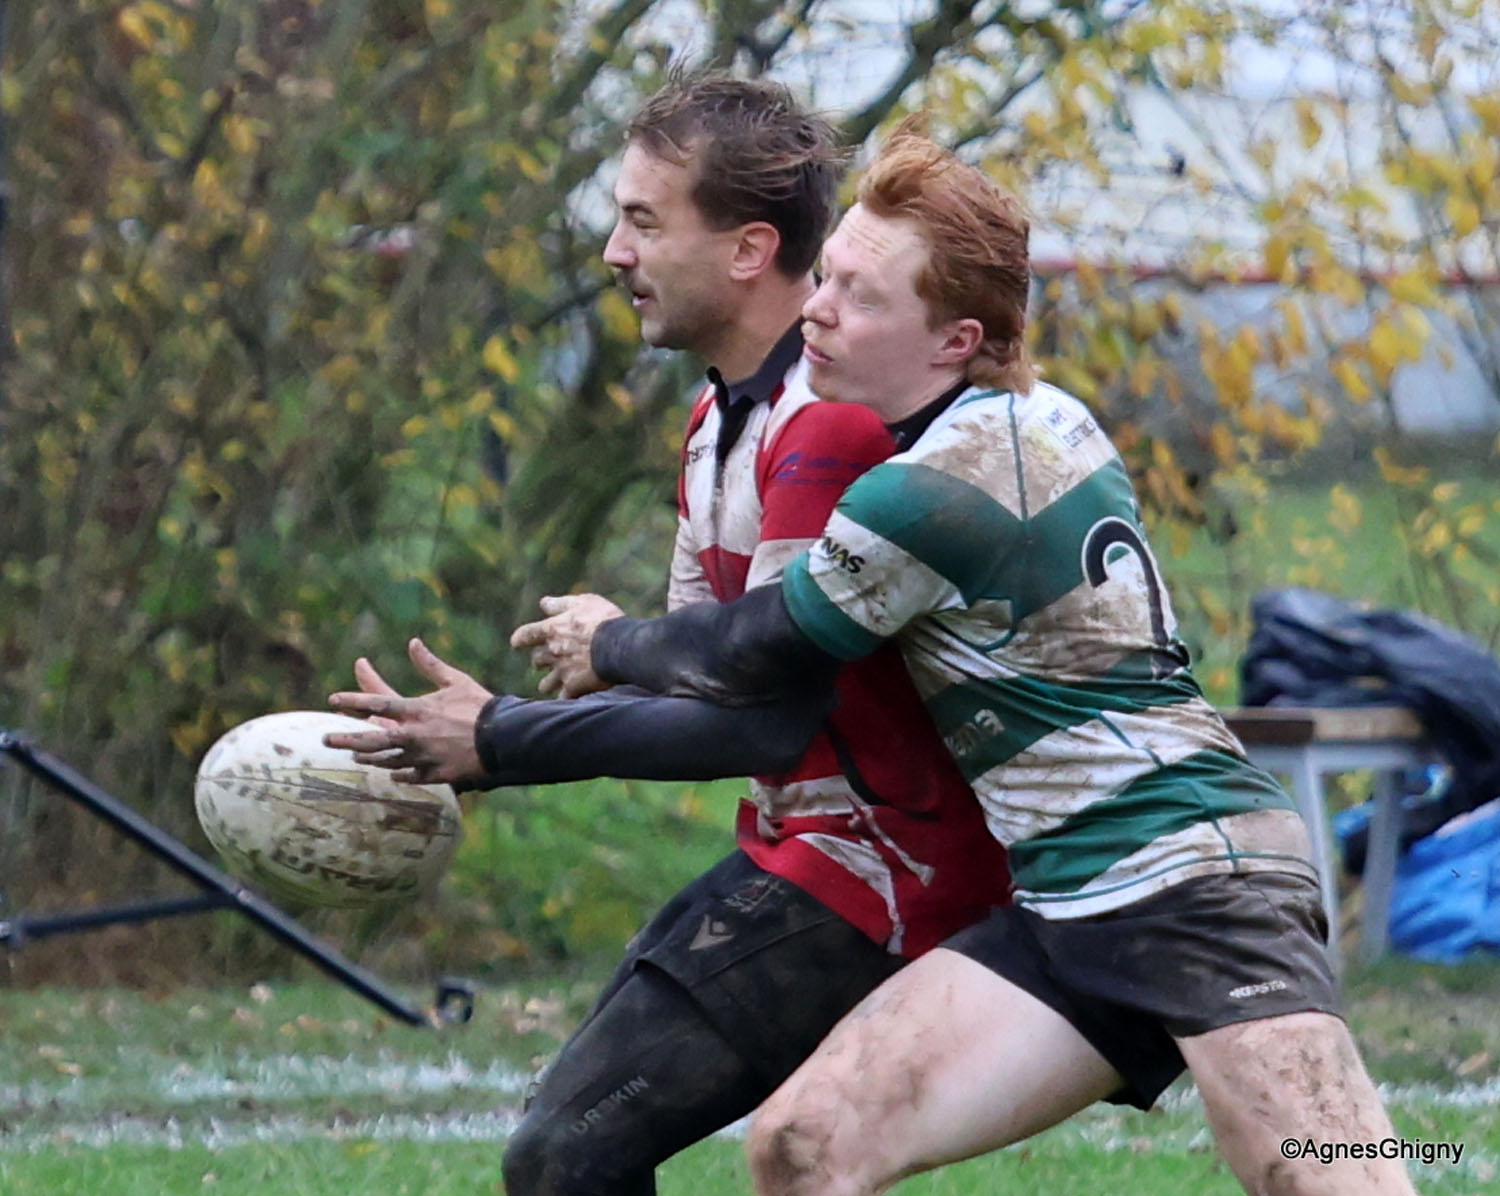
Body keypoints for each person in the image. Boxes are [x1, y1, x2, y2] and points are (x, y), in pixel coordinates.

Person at [458, 128, 1421, 1194]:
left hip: (1194, 875)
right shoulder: (1033, 419)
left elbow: (756, 647)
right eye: (827, 276)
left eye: (860, 296)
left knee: (1339, 1175)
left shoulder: (930, 486)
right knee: (805, 1144)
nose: (817, 309)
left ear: (956, 339)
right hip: (1064, 895)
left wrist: (605, 644)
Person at [327, 78, 1008, 1196]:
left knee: (569, 1152)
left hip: (890, 872)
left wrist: (503, 739)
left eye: (643, 221)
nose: (613, 252)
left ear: (747, 251)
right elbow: (707, 681)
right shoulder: (716, 419)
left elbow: (764, 715)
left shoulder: (827, 426)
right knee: (569, 1145)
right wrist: (487, 729)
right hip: (803, 851)